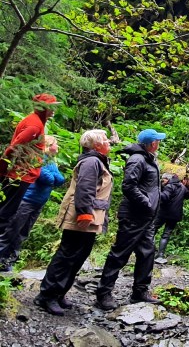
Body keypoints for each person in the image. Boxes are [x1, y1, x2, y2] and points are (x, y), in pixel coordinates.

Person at [34, 129, 113, 316]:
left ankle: (59, 293)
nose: (109, 142)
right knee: (67, 255)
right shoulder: (91, 161)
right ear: (96, 145)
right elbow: (85, 189)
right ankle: (47, 296)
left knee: (78, 255)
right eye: (105, 140)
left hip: (91, 215)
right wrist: (85, 214)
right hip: (82, 216)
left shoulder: (97, 160)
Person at [95, 128, 165, 310]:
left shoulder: (150, 159)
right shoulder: (137, 159)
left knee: (147, 253)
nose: (159, 143)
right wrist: (147, 203)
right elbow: (128, 186)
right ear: (151, 143)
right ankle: (103, 294)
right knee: (120, 254)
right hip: (134, 215)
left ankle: (140, 291)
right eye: (157, 140)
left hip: (147, 218)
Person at [0, 135, 65, 271]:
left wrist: (52, 174)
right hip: (26, 201)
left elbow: (60, 179)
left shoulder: (52, 161)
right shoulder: (38, 158)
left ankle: (9, 262)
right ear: (48, 145)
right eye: (56, 143)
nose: (58, 146)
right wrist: (52, 175)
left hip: (38, 203)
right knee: (12, 230)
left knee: (23, 233)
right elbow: (47, 178)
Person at [0, 93, 60, 232]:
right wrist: (3, 169)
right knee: (5, 214)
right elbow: (14, 147)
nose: (53, 111)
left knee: (6, 212)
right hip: (19, 175)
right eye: (50, 107)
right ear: (42, 108)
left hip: (22, 174)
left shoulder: (37, 122)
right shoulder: (34, 125)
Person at [153, 172, 189, 262]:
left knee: (152, 229)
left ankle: (150, 251)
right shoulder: (182, 187)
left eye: (164, 180)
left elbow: (164, 197)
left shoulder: (169, 186)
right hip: (175, 215)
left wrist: (158, 190)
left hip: (163, 213)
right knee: (166, 234)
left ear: (168, 179)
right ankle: (161, 255)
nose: (163, 182)